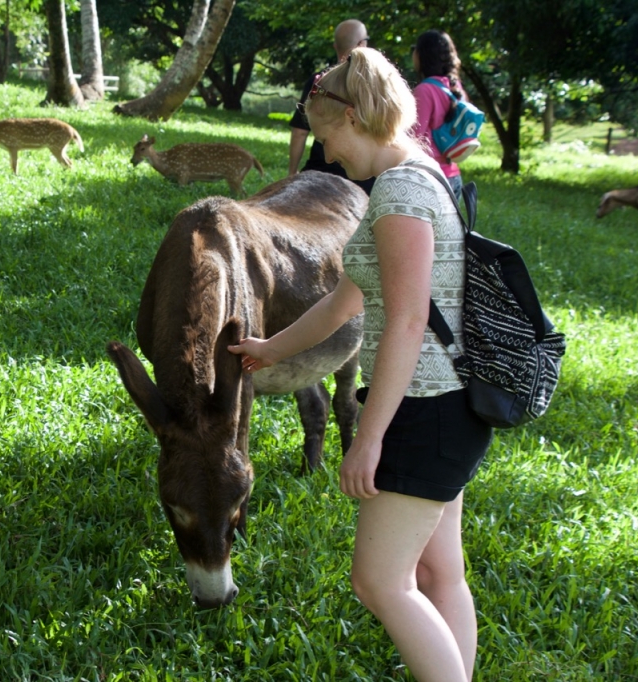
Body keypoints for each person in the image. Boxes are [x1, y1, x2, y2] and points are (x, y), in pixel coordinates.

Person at [229, 47, 492, 682]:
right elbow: (348, 299)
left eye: (325, 137)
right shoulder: (419, 173)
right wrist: (268, 349)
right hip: (447, 405)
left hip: (424, 411)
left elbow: (404, 319)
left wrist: (367, 438)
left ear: (352, 118)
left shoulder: (400, 193)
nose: (326, 154)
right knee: (438, 572)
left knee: (381, 583)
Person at [288, 18, 375, 195]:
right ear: (361, 44)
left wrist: (292, 173)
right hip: (364, 181)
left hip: (320, 175)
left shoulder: (317, 81)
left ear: (335, 46)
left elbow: (300, 132)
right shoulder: (372, 84)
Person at [412, 30, 468, 197]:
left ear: (422, 55)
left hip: (431, 178)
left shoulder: (424, 90)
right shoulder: (455, 87)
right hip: (453, 176)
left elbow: (415, 137)